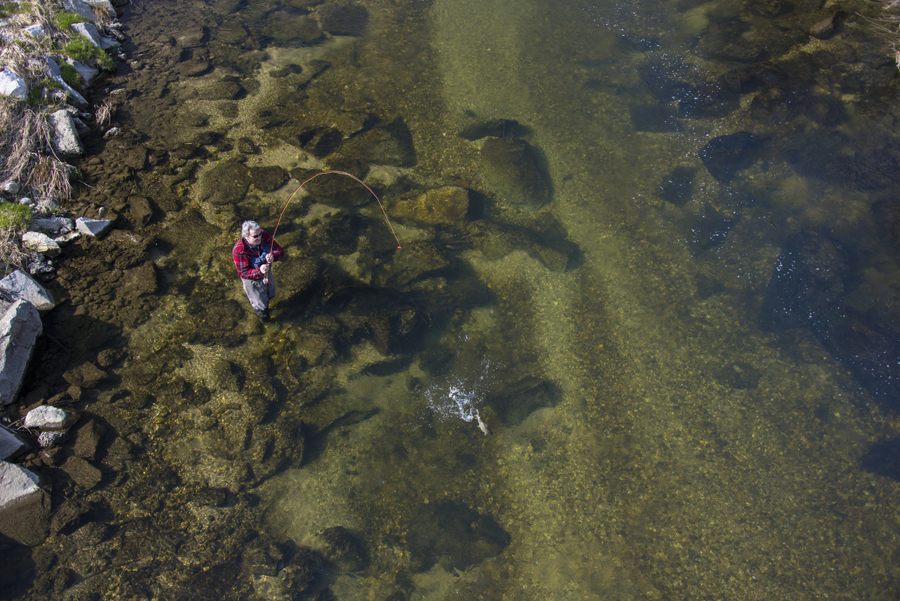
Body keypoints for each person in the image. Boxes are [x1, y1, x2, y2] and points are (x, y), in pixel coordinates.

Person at [232, 220, 284, 319]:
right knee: (260, 305)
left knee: (270, 293)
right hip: (253, 281)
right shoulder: (239, 251)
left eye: (259, 234)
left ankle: (269, 306)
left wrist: (273, 255)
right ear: (246, 236)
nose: (259, 237)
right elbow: (243, 273)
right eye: (255, 236)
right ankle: (265, 320)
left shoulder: (263, 235)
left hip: (266, 273)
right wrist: (259, 271)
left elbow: (280, 250)